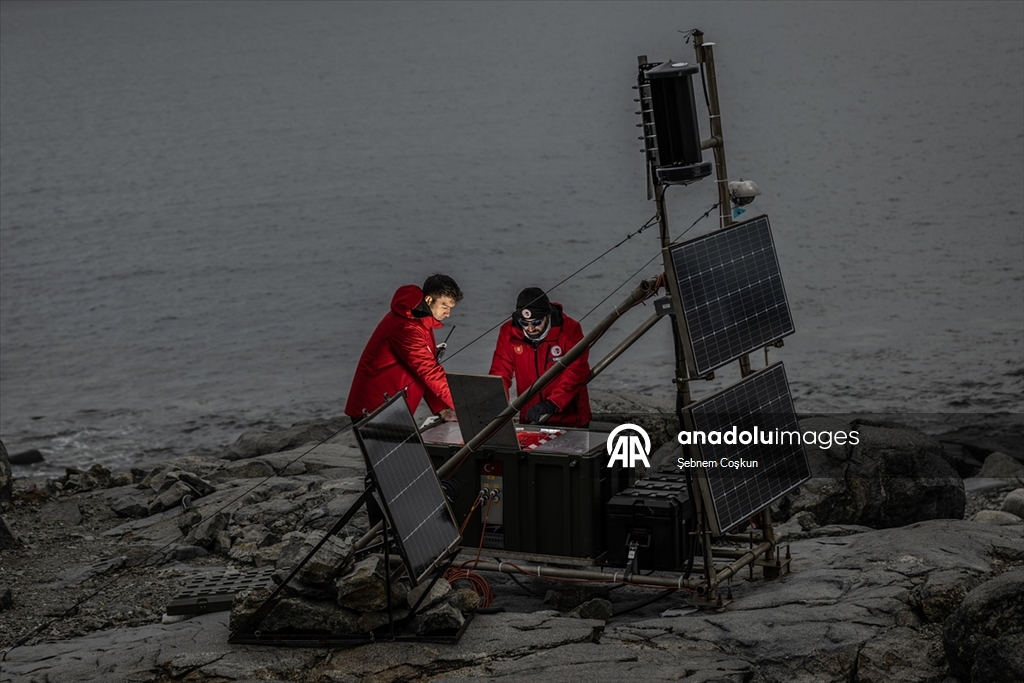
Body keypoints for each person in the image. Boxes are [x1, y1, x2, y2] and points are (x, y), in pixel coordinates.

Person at [345, 274, 462, 421]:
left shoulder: (420, 322)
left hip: (392, 408)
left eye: (451, 308)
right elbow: (429, 372)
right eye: (444, 306)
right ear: (428, 300)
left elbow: (424, 371)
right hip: (375, 410)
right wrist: (463, 407)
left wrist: (443, 410)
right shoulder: (407, 328)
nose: (448, 313)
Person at [489, 287, 592, 428]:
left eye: (536, 323)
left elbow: (577, 371)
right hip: (531, 418)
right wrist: (495, 407)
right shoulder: (508, 332)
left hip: (570, 419)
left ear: (548, 316)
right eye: (524, 323)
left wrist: (553, 403)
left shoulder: (570, 329)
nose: (530, 329)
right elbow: (500, 373)